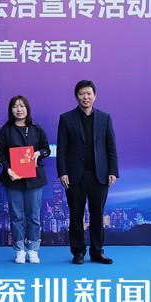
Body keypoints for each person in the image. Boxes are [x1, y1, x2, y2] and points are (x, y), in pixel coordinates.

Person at [57, 80, 119, 265]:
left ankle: (97, 251)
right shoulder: (66, 118)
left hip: (99, 175)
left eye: (89, 93)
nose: (85, 97)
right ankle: (78, 252)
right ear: (76, 96)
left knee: (97, 215)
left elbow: (111, 146)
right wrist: (62, 172)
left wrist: (113, 171)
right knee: (76, 215)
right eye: (82, 94)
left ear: (95, 96)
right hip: (74, 176)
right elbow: (61, 149)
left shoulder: (105, 118)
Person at [0, 95, 50, 264]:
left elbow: (46, 149)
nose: (19, 109)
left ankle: (33, 249)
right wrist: (8, 169)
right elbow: (0, 153)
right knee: (16, 216)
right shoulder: (6, 130)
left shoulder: (36, 128)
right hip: (13, 178)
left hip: (34, 179)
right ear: (11, 110)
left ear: (27, 109)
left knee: (34, 216)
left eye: (22, 106)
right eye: (15, 106)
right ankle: (19, 250)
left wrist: (38, 153)